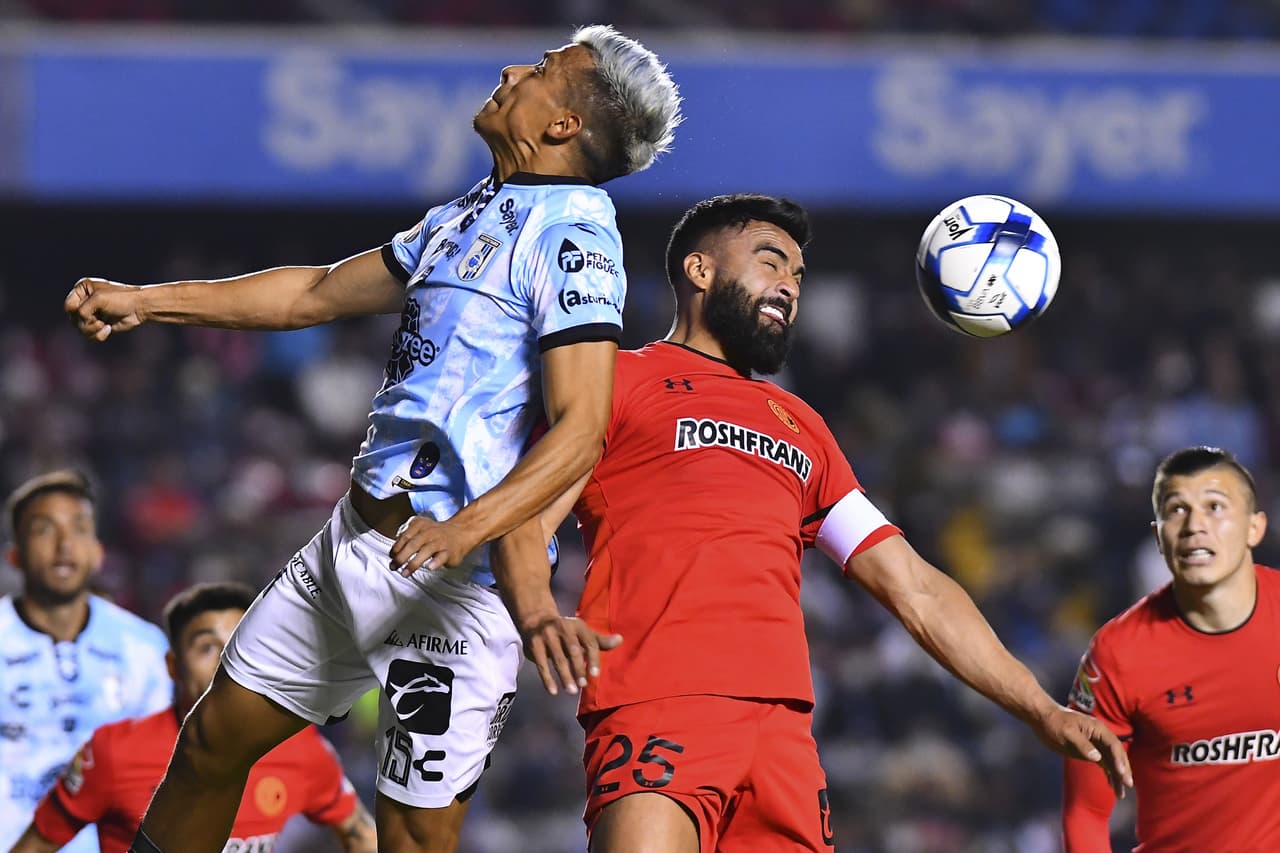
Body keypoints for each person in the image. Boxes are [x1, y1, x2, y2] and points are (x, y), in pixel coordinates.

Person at [64, 24, 682, 853]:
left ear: (563, 126)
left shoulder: (575, 237)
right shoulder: (469, 212)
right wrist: (146, 301)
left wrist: (465, 527)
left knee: (412, 838)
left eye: (540, 70)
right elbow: (312, 294)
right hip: (354, 544)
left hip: (452, 588)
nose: (510, 69)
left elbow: (582, 428)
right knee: (213, 744)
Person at [492, 193, 1133, 852]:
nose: (790, 287)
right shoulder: (616, 380)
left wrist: (1039, 706)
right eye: (771, 263)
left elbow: (913, 585)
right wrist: (538, 609)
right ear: (700, 270)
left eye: (798, 276)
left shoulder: (802, 427)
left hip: (783, 737)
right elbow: (523, 511)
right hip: (660, 699)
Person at [10, 581, 377, 853]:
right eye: (206, 647)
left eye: (240, 643)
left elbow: (360, 834)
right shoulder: (112, 751)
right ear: (173, 666)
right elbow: (38, 842)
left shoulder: (300, 747)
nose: (227, 661)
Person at [1062, 446, 1280, 851]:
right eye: (1177, 510)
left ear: (1255, 527)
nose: (1195, 525)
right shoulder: (1116, 655)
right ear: (1157, 536)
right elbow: (1087, 812)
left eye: (1215, 507)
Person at [0, 470, 170, 853]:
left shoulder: (143, 647)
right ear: (15, 554)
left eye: (78, 529)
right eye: (44, 530)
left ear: (98, 551)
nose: (64, 545)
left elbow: (164, 772)